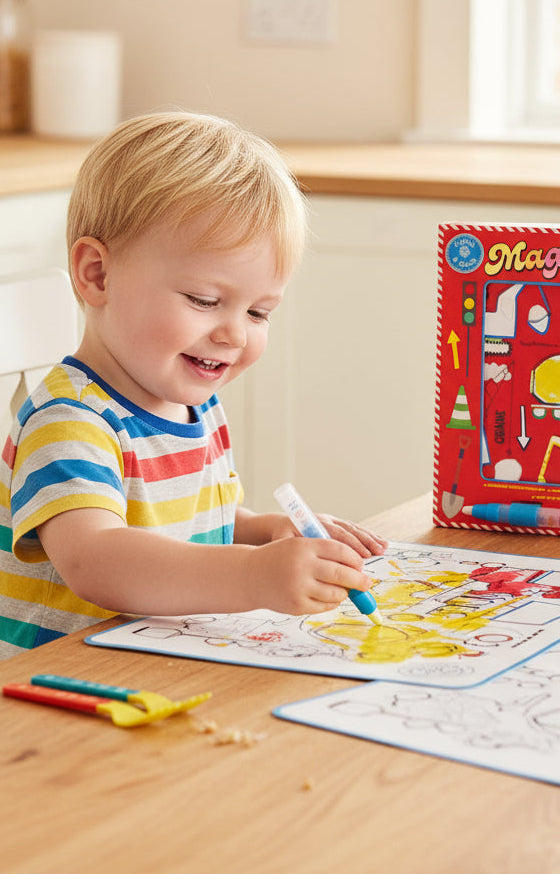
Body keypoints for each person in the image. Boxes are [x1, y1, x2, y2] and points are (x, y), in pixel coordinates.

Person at [0, 111, 387, 658]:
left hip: (155, 668)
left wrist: (269, 531)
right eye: (204, 300)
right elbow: (96, 559)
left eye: (258, 312)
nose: (233, 334)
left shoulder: (196, 409)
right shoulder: (69, 421)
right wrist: (254, 575)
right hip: (55, 692)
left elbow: (197, 520)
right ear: (98, 275)